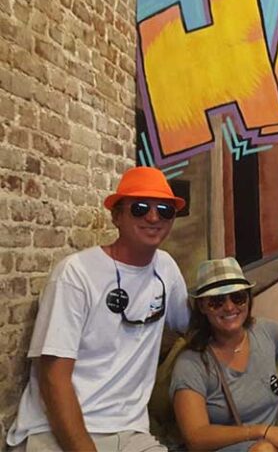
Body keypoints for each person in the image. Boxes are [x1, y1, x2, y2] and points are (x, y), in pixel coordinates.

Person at [6, 166, 190, 451]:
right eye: (140, 208)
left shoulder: (166, 269)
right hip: (55, 430)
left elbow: (197, 328)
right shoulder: (75, 274)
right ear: (116, 216)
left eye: (165, 210)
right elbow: (53, 377)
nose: (153, 217)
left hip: (128, 432)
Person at [171, 257, 278, 452]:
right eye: (217, 301)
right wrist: (263, 431)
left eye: (238, 297)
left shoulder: (263, 331)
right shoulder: (192, 363)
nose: (229, 307)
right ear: (202, 306)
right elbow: (196, 437)